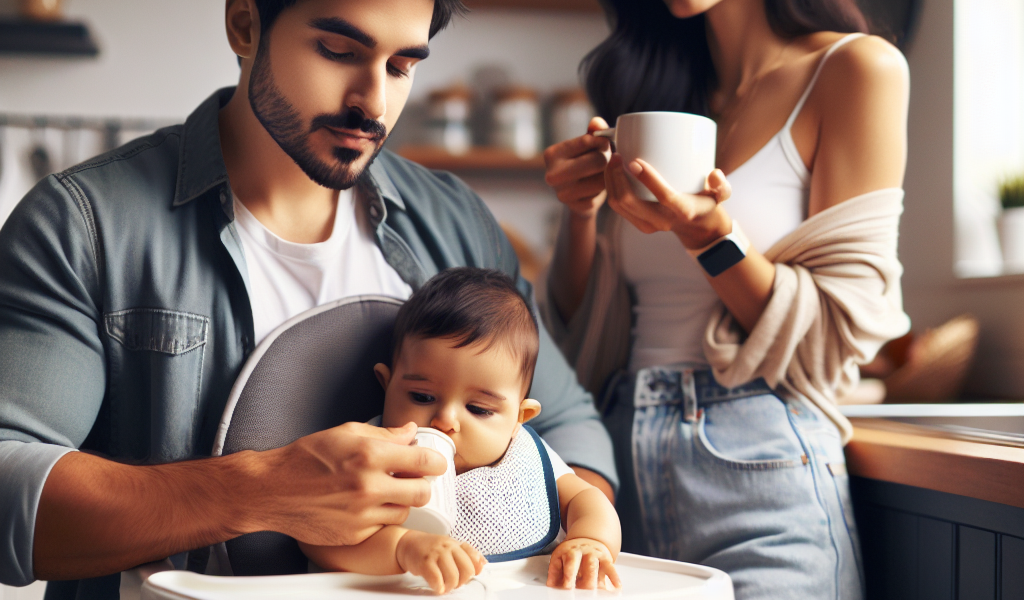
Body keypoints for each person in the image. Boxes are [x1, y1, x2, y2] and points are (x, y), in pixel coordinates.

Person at [0, 1, 617, 597]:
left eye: (400, 66)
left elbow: (570, 433)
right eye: (338, 50)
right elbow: (8, 486)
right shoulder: (84, 225)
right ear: (245, 24)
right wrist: (259, 490)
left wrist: (560, 547)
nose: (374, 103)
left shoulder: (455, 221)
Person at [541, 0, 912, 598]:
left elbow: (837, 336)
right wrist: (581, 212)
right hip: (616, 477)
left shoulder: (854, 68)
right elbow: (576, 334)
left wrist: (711, 240)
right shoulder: (655, 94)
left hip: (758, 461)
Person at [299, 268, 622, 594]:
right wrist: (402, 547)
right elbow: (320, 539)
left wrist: (591, 540)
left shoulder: (525, 458)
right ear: (387, 385)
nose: (445, 420)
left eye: (479, 409)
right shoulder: (367, 456)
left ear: (519, 419)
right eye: (422, 397)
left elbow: (586, 498)